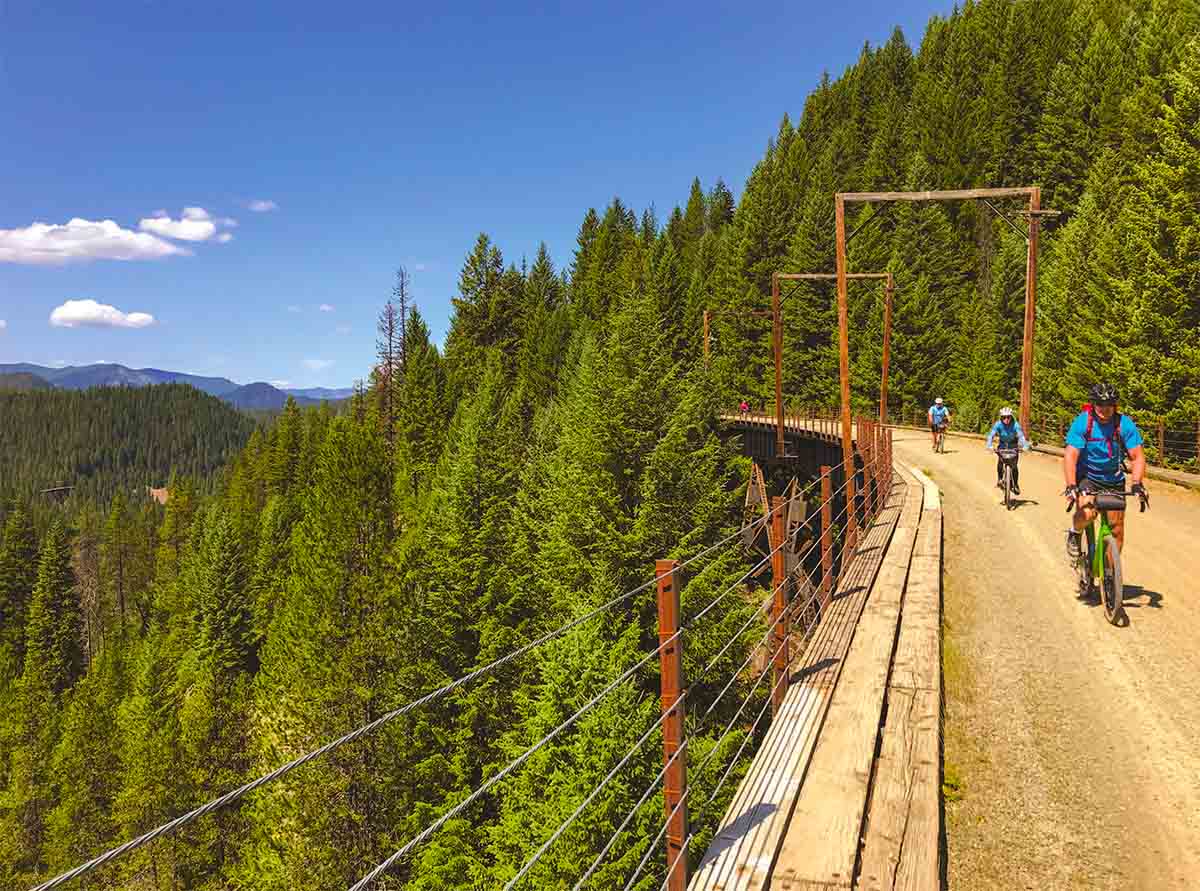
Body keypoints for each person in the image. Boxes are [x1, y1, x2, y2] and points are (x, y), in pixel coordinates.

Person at [1062, 382, 1148, 558]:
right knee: (1087, 513)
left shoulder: (1124, 424)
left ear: (1115, 405)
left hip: (1114, 479)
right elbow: (1071, 455)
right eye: (1100, 404)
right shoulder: (1083, 422)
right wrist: (1071, 485)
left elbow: (1137, 456)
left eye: (1109, 405)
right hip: (1087, 476)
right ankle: (1075, 532)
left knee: (1116, 531)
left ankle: (1109, 578)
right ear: (1093, 404)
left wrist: (1137, 483)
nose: (1104, 409)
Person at [985, 407, 1030, 494]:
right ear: (1001, 418)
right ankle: (999, 479)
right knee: (1000, 462)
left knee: (1014, 466)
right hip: (1002, 445)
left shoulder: (1016, 425)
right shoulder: (998, 424)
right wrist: (989, 445)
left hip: (1013, 445)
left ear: (1011, 416)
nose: (1006, 419)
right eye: (1004, 417)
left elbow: (1021, 436)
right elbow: (991, 435)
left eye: (1008, 417)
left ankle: (1016, 485)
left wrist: (1025, 446)